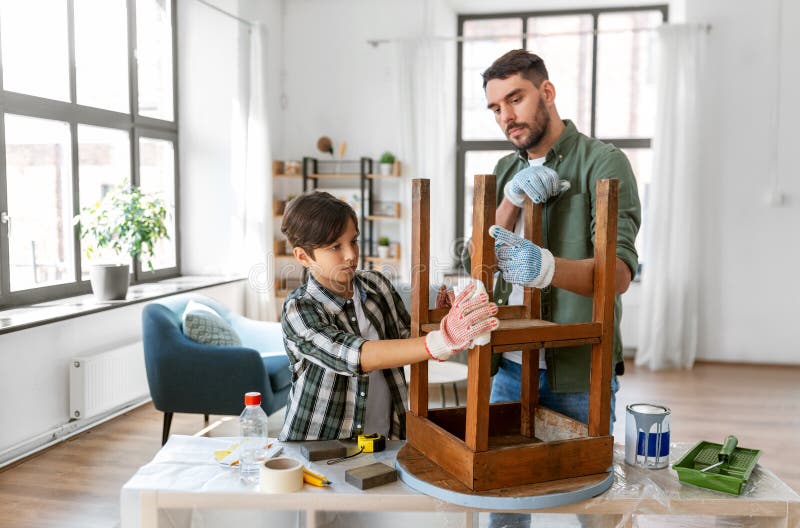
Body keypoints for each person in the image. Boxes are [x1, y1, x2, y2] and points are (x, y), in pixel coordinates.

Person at [479, 48, 641, 528]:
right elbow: (478, 266)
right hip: (509, 367)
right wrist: (508, 205)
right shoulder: (506, 172)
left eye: (516, 99)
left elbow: (620, 273)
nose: (507, 116)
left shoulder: (603, 163)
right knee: (504, 505)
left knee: (590, 504)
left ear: (546, 92)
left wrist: (546, 268)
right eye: (495, 108)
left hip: (579, 369)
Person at [277, 191, 499, 441]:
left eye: (354, 241)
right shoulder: (299, 309)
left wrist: (442, 319)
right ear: (303, 256)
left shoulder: (376, 285)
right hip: (318, 446)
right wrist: (442, 340)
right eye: (335, 246)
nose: (351, 255)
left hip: (383, 434)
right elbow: (355, 356)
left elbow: (407, 339)